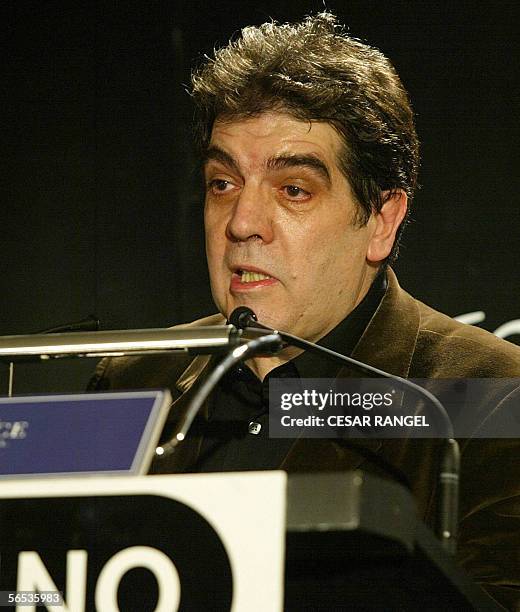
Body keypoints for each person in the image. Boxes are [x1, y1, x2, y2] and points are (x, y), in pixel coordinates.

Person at [88, 13, 520, 609]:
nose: (241, 223)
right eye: (223, 183)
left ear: (381, 221)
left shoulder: (491, 398)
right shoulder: (135, 379)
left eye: (293, 189)